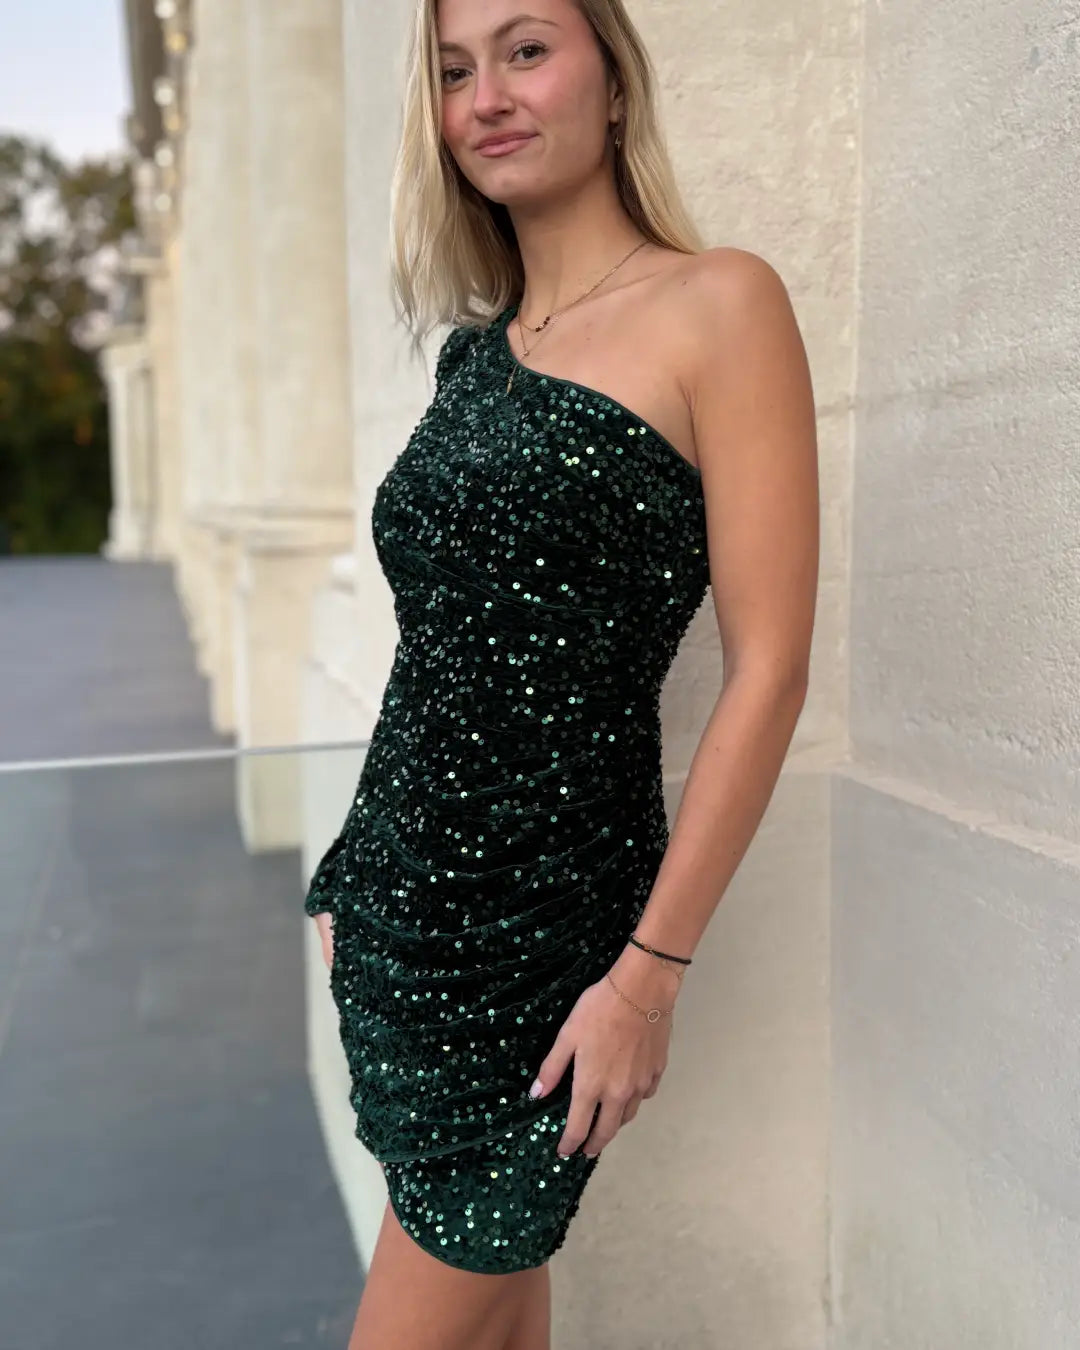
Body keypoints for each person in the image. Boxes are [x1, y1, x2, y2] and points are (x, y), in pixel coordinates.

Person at [304, 0, 819, 1345]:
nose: (487, 96)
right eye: (453, 71)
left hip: (549, 932)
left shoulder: (722, 303)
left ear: (613, 77)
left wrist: (649, 975)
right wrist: (350, 862)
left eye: (526, 50)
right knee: (496, 1317)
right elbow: (440, 654)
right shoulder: (474, 355)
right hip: (398, 918)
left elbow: (770, 670)